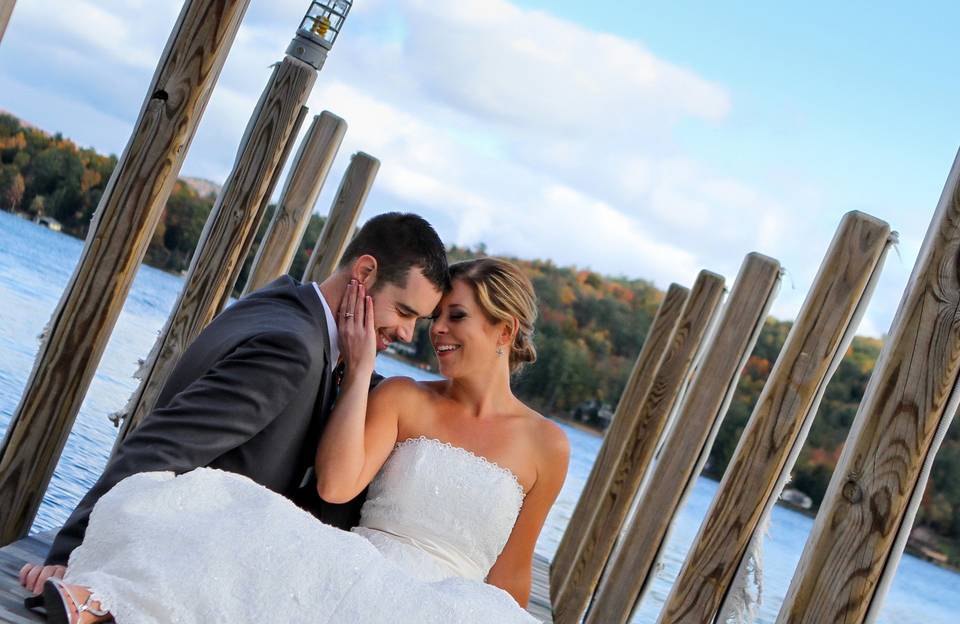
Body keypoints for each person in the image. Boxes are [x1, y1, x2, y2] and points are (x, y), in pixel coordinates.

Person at [37, 257, 570, 623]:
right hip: (363, 566)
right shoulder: (406, 397)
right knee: (238, 507)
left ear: (505, 331)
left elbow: (511, 575)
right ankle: (101, 602)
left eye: (457, 317)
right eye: (433, 317)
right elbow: (337, 486)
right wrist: (362, 371)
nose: (435, 331)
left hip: (449, 604)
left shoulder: (548, 447)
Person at [19, 212, 449, 597]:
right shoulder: (291, 350)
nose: (409, 334)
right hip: (177, 558)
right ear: (366, 272)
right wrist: (72, 551)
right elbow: (161, 446)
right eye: (404, 312)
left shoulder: (284, 306)